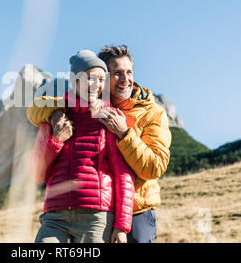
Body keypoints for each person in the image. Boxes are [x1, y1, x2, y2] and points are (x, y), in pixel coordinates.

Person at [27, 45, 171, 243]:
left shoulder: (150, 112)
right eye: (117, 74)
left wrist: (124, 133)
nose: (125, 79)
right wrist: (55, 114)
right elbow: (36, 106)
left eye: (129, 72)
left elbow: (154, 167)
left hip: (137, 209)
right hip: (73, 212)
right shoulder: (80, 109)